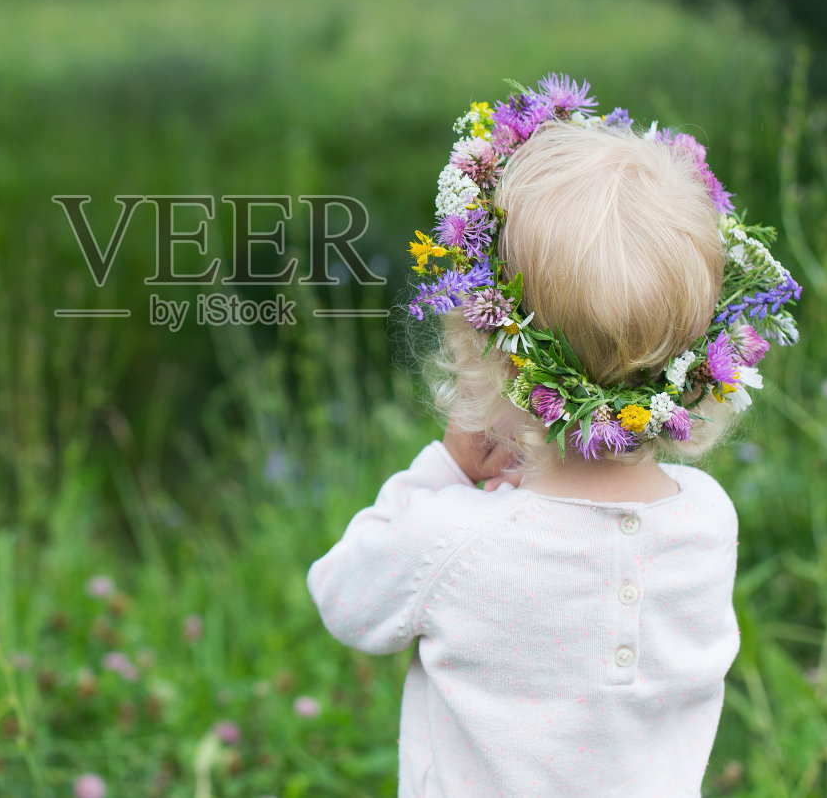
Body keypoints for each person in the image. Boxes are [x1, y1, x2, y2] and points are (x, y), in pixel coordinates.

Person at [307, 77, 801, 797]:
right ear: (697, 359)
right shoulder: (705, 519)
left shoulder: (456, 538)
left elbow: (342, 595)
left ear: (495, 352)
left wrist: (445, 467)